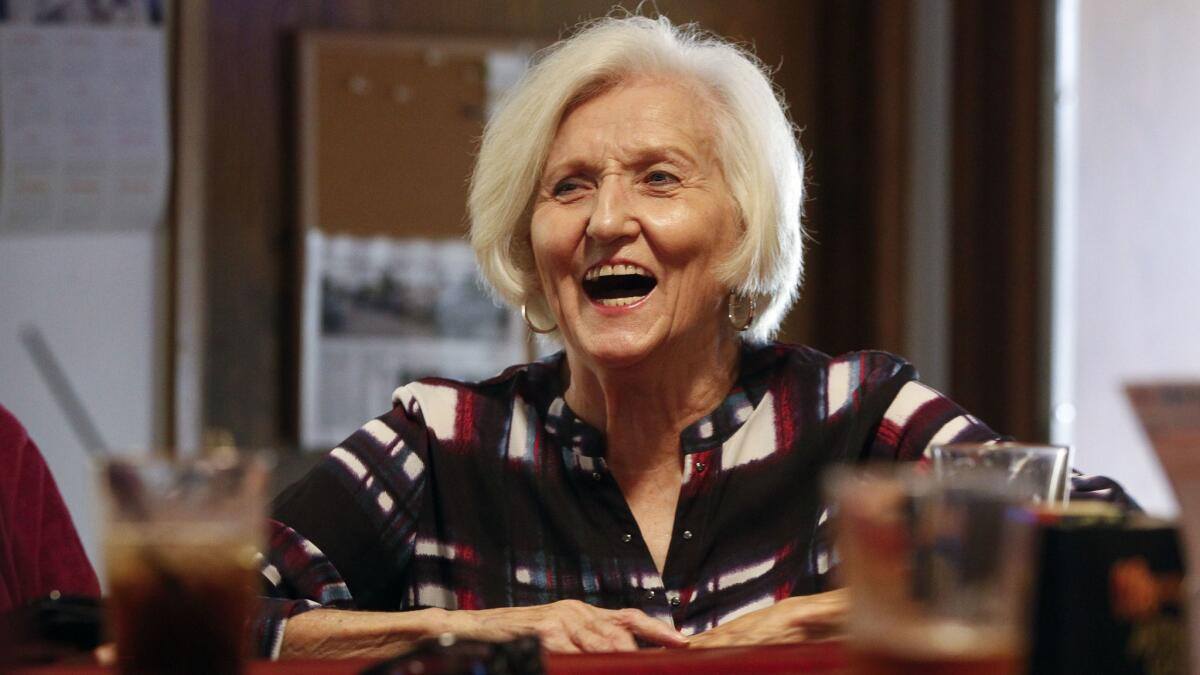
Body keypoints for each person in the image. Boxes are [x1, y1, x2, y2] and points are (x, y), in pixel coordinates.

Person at [256, 14, 1123, 659]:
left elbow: (1110, 549)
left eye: (658, 179)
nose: (605, 221)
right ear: (528, 237)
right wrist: (489, 631)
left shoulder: (856, 413)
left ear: (743, 228)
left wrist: (821, 614)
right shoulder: (442, 439)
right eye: (568, 187)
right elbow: (219, 609)